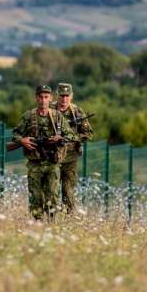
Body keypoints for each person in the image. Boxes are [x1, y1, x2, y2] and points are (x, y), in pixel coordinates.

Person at [12, 85, 75, 220]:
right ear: (36, 98)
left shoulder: (57, 117)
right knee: (36, 196)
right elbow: (15, 134)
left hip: (52, 163)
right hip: (35, 163)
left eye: (46, 97)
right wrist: (22, 140)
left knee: (52, 195)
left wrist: (60, 138)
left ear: (50, 98)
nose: (43, 100)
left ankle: (51, 222)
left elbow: (71, 135)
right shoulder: (29, 116)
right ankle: (37, 223)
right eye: (40, 97)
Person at [51, 82, 93, 214]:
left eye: (67, 96)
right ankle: (48, 219)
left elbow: (88, 133)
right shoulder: (49, 110)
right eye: (62, 96)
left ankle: (69, 219)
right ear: (57, 96)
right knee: (50, 189)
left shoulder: (77, 112)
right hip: (51, 156)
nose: (64, 99)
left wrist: (71, 138)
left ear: (71, 96)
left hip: (70, 158)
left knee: (68, 191)